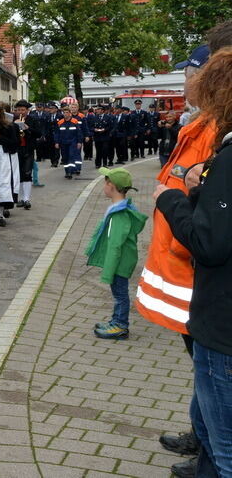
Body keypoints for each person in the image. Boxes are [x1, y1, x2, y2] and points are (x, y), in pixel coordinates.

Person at [153, 46, 232, 476]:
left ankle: (206, 451)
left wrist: (175, 198)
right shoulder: (203, 127)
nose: (185, 81)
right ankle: (201, 440)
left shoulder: (218, 134)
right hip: (195, 278)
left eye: (191, 73)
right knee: (206, 375)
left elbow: (212, 235)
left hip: (205, 281)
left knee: (214, 376)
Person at [85, 168, 146, 339]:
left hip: (119, 262)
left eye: (105, 183)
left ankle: (120, 326)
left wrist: (108, 269)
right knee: (119, 293)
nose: (104, 186)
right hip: (120, 261)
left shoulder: (118, 214)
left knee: (120, 295)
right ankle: (115, 321)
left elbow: (115, 245)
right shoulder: (120, 208)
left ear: (111, 186)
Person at [0, 104, 18, 222]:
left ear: (1, 114)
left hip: (2, 155)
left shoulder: (8, 126)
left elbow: (13, 143)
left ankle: (0, 213)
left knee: (2, 182)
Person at [13, 100, 39, 210]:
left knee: (27, 173)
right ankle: (20, 198)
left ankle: (26, 199)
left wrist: (27, 129)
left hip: (28, 149)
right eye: (18, 110)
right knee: (18, 174)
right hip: (16, 150)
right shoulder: (13, 120)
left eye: (22, 110)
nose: (20, 112)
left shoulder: (32, 119)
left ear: (27, 111)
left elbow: (38, 133)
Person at [55, 107, 83, 179]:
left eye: (67, 112)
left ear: (70, 114)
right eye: (64, 113)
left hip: (72, 142)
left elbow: (79, 133)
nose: (65, 114)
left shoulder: (75, 121)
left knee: (71, 156)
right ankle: (67, 171)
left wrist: (79, 142)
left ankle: (70, 172)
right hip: (63, 143)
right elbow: (57, 133)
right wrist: (56, 142)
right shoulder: (60, 122)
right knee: (65, 158)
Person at [90, 104, 115, 169]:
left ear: (102, 110)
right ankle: (98, 164)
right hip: (97, 137)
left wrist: (105, 129)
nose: (97, 110)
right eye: (97, 109)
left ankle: (104, 163)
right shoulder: (94, 117)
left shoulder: (107, 117)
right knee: (98, 151)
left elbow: (110, 126)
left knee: (105, 150)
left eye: (99, 109)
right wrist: (94, 129)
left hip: (105, 137)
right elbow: (91, 126)